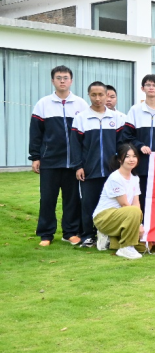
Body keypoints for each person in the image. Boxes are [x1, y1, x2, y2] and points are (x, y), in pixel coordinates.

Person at [30, 65, 89, 246]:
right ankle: (46, 234)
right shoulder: (43, 104)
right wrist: (35, 157)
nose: (62, 81)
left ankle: (70, 232)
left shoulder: (81, 104)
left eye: (65, 78)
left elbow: (86, 133)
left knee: (72, 199)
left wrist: (82, 160)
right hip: (50, 161)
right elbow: (35, 133)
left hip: (73, 162)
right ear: (52, 80)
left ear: (71, 80)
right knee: (48, 198)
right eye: (58, 78)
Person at [71, 81, 123, 248]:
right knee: (88, 204)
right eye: (94, 95)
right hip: (89, 170)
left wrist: (120, 167)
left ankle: (108, 235)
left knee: (111, 204)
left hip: (111, 171)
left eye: (101, 94)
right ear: (89, 95)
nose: (98, 98)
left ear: (106, 95)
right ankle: (88, 235)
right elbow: (75, 145)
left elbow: (122, 144)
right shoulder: (81, 118)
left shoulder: (117, 118)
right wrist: (78, 166)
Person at [121, 74, 155, 214]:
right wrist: (140, 146)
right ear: (143, 88)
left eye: (154, 85)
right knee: (139, 196)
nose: (151, 88)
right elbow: (127, 136)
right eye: (148, 85)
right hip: (139, 164)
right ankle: (139, 224)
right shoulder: (135, 110)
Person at [91, 143, 145, 260]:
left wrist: (139, 224)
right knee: (133, 211)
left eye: (134, 156)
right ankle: (125, 248)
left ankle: (108, 241)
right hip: (104, 217)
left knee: (145, 246)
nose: (131, 159)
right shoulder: (115, 177)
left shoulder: (135, 178)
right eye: (127, 156)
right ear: (120, 159)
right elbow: (124, 204)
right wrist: (138, 225)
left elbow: (136, 202)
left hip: (124, 216)